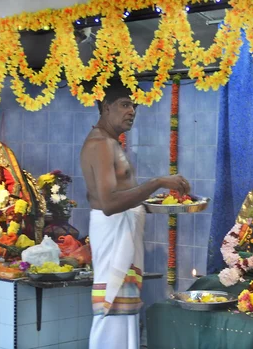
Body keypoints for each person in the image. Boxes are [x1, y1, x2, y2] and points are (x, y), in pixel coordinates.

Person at [80, 79, 190, 349]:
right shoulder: (102, 144)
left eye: (134, 107)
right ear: (106, 108)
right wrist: (156, 183)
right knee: (112, 308)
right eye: (124, 105)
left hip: (119, 232)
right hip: (112, 231)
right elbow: (108, 203)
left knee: (123, 309)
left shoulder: (108, 142)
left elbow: (111, 197)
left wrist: (152, 202)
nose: (132, 111)